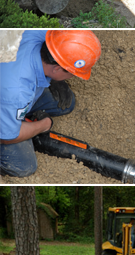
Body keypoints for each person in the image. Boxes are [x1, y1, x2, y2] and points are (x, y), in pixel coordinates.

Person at [0, 30, 101, 178]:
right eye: (72, 73)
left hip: (12, 88)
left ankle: (18, 116)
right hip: (9, 98)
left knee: (66, 103)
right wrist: (43, 125)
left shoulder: (43, 35)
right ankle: (15, 120)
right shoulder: (17, 91)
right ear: (57, 68)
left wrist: (55, 80)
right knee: (24, 166)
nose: (73, 77)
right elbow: (7, 137)